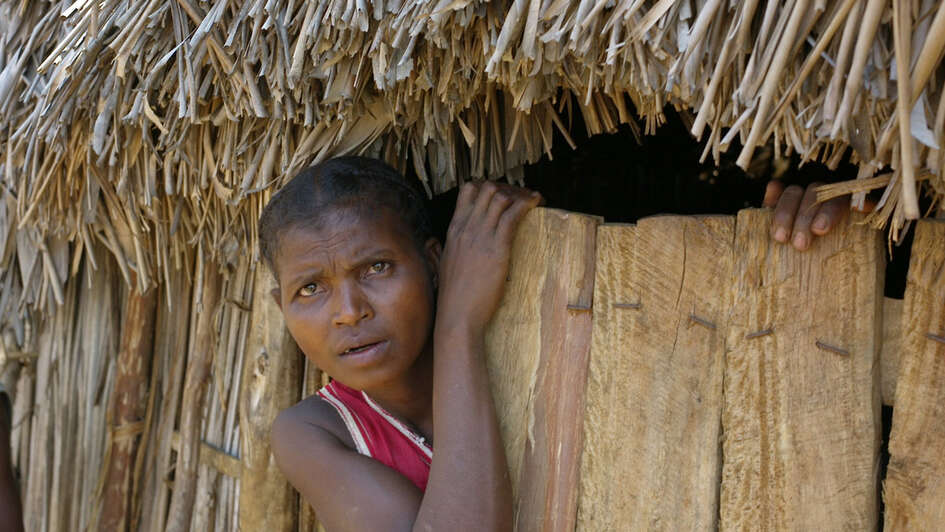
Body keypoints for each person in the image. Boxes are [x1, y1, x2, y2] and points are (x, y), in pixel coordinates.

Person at [261, 157, 852, 531]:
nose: (348, 311)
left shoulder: (556, 336)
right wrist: (459, 325)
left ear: (435, 263)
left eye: (378, 267)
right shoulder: (316, 433)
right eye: (309, 288)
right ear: (281, 306)